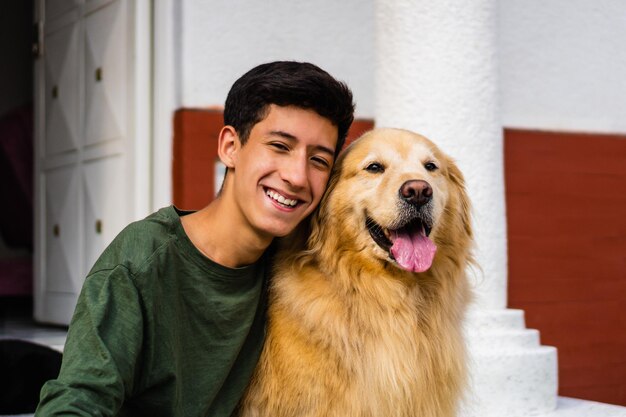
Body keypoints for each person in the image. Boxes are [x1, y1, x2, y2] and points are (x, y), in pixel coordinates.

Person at [35, 61, 354, 417]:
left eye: (319, 161)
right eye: (279, 146)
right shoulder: (143, 261)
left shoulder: (297, 267)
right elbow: (76, 402)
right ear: (230, 146)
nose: (297, 176)